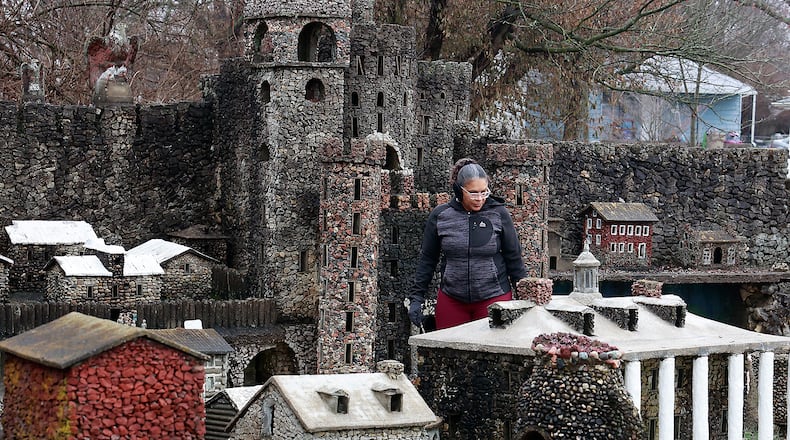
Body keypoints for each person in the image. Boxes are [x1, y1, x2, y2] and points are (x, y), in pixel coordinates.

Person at [408, 158, 528, 330]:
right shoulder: (441, 216)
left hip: (494, 296)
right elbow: (428, 260)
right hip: (452, 299)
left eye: (484, 192)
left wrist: (525, 298)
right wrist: (416, 298)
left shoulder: (499, 214)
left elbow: (514, 258)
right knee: (448, 353)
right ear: (459, 190)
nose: (479, 198)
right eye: (473, 193)